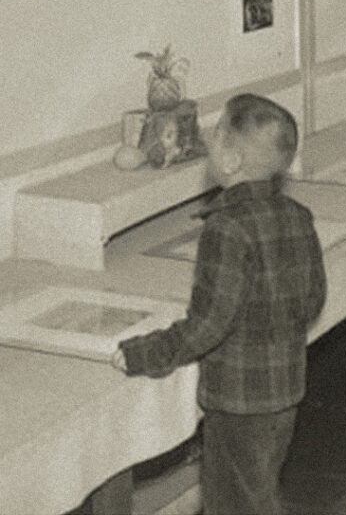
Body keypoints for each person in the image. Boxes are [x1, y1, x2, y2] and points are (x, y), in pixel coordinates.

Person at [114, 94, 327, 515]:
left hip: (238, 401)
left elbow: (209, 326)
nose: (209, 141)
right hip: (285, 391)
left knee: (233, 504)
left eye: (216, 133)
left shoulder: (226, 227)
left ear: (231, 161)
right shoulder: (299, 215)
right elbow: (312, 301)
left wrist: (143, 353)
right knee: (259, 492)